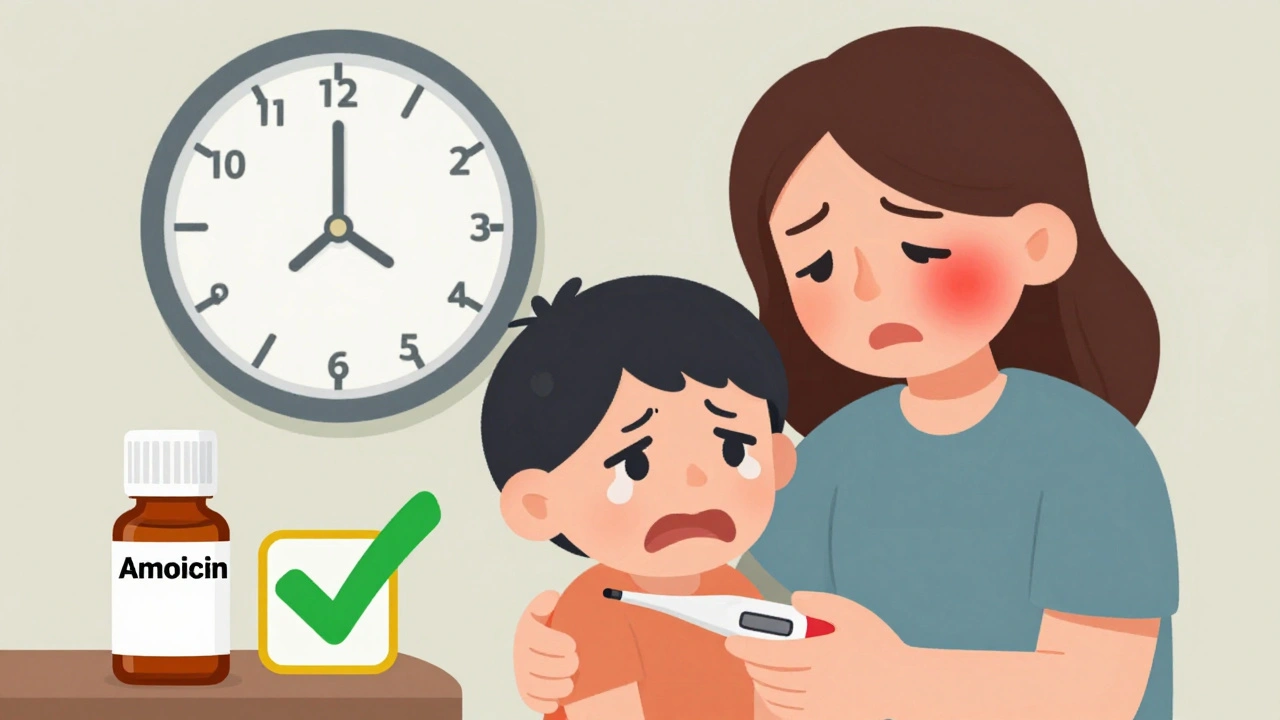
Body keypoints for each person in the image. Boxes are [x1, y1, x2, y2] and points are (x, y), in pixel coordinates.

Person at [509, 26, 1179, 720]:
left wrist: (897, 680)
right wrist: (564, 654)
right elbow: (735, 627)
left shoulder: (1092, 456)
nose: (865, 289)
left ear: (1037, 243)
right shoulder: (832, 455)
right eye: (818, 266)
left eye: (918, 244)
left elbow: (1100, 691)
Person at [481, 275, 798, 719]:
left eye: (733, 448)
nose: (694, 481)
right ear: (539, 505)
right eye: (634, 465)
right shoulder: (597, 610)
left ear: (776, 460)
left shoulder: (733, 589)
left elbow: (769, 703)